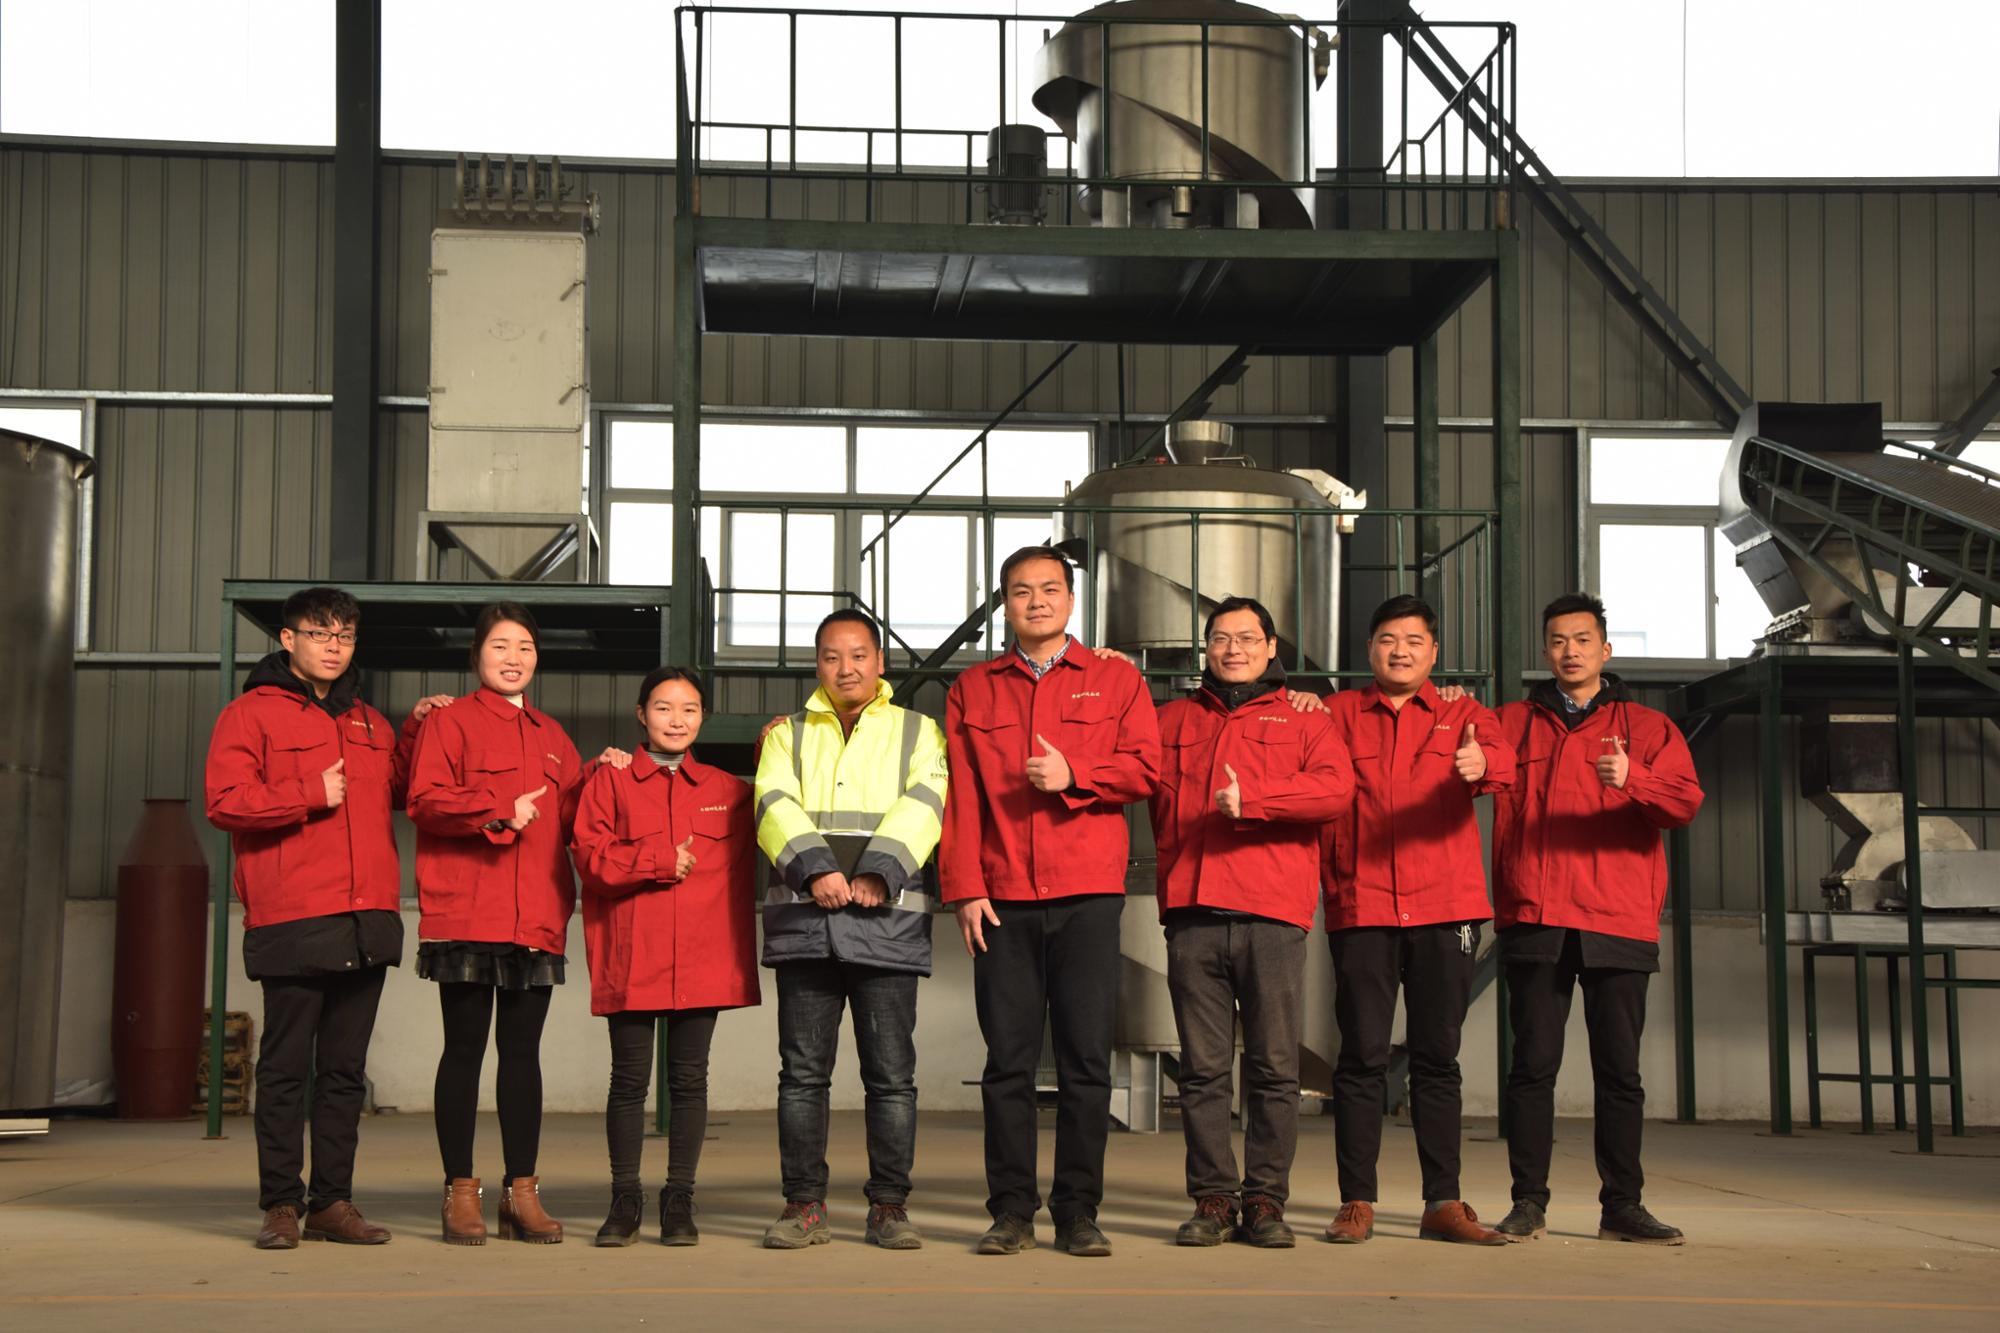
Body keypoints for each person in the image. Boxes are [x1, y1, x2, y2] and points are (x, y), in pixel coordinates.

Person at [204, 586, 450, 1250]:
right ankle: (281, 1204)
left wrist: (417, 728)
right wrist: (308, 792)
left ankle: (332, 1203)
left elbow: (399, 789)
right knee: (286, 1070)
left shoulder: (369, 721)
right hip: (293, 916)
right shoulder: (249, 715)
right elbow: (225, 801)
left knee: (343, 1073)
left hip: (366, 918)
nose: (333, 646)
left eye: (344, 635)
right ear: (288, 639)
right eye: (319, 633)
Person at [938, 546, 1161, 1258]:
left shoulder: (1116, 679)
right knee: (1007, 1061)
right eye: (1021, 590)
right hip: (1000, 897)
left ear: (1070, 599)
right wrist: (964, 886)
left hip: (1088, 894)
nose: (1037, 601)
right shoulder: (973, 689)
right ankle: (1010, 1211)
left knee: (1085, 1060)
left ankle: (1077, 1212)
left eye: (1050, 589)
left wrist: (1077, 773)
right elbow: (960, 796)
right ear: (1005, 603)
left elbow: (1146, 770)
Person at [1490, 593, 1704, 1246]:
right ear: (1545, 650)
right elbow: (1446, 738)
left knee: (1619, 1072)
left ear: (1605, 650)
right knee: (1532, 1067)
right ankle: (1528, 1202)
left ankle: (1623, 1206)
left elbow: (1685, 803)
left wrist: (1635, 778)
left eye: (1583, 639)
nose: (1570, 651)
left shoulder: (1649, 728)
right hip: (1537, 912)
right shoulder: (1511, 723)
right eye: (1558, 640)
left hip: (1617, 915)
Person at [1149, 596, 1355, 1249]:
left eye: (1247, 638)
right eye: (1220, 638)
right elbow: (1121, 761)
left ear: (1271, 648)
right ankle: (1213, 1198)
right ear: (1206, 648)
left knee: (1274, 1066)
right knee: (1203, 1069)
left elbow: (1336, 790)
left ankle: (1265, 1200)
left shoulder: (1306, 719)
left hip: (1272, 913)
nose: (1232, 649)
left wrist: (1258, 799)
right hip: (1194, 913)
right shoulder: (1170, 719)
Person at [1319, 593, 1516, 1247]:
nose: (1399, 650)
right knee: (1361, 1056)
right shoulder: (1336, 714)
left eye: (1412, 640)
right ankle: (1356, 1200)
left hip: (1445, 907)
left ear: (1433, 651)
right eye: (1386, 639)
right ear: (1369, 649)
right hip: (1363, 904)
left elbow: (1505, 763)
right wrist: (1293, 698)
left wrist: (1481, 763)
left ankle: (1443, 1202)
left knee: (1437, 1057)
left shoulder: (1464, 714)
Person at [752, 609, 948, 1251]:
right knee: (802, 1076)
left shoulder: (919, 731)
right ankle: (803, 1206)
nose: (846, 668)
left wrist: (877, 873)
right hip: (807, 926)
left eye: (859, 655)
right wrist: (816, 872)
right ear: (818, 664)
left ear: (879, 663)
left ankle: (889, 1207)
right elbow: (771, 803)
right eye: (832, 657)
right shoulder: (786, 734)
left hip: (885, 924)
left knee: (890, 1078)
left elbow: (927, 804)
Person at [406, 601, 587, 1246]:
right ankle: (461, 1192)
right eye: (500, 646)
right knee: (463, 1052)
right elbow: (424, 800)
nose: (514, 659)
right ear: (477, 654)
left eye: (526, 648)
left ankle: (522, 1194)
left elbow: (580, 815)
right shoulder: (448, 722)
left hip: (535, 914)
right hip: (466, 909)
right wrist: (498, 808)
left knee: (522, 1056)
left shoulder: (553, 737)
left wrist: (614, 772)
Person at [572, 666, 759, 1247]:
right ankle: (624, 1199)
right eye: (663, 707)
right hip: (634, 952)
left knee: (689, 1081)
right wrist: (656, 861)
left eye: (689, 709)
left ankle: (680, 1200)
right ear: (641, 714)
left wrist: (779, 740)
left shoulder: (729, 792)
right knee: (628, 1081)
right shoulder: (610, 783)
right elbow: (590, 858)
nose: (676, 720)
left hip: (702, 956)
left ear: (703, 717)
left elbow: (788, 806)